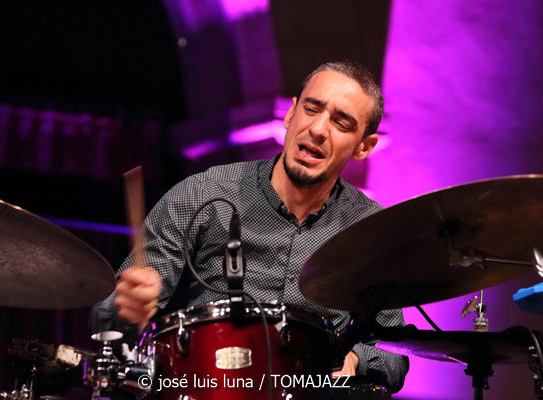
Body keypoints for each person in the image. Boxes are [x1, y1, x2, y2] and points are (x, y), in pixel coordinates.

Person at [90, 61, 409, 392]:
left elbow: (395, 357)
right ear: (290, 114)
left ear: (364, 146)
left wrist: (355, 358)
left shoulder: (367, 230)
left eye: (341, 123)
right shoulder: (202, 194)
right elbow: (104, 318)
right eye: (311, 109)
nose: (318, 129)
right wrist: (127, 310)